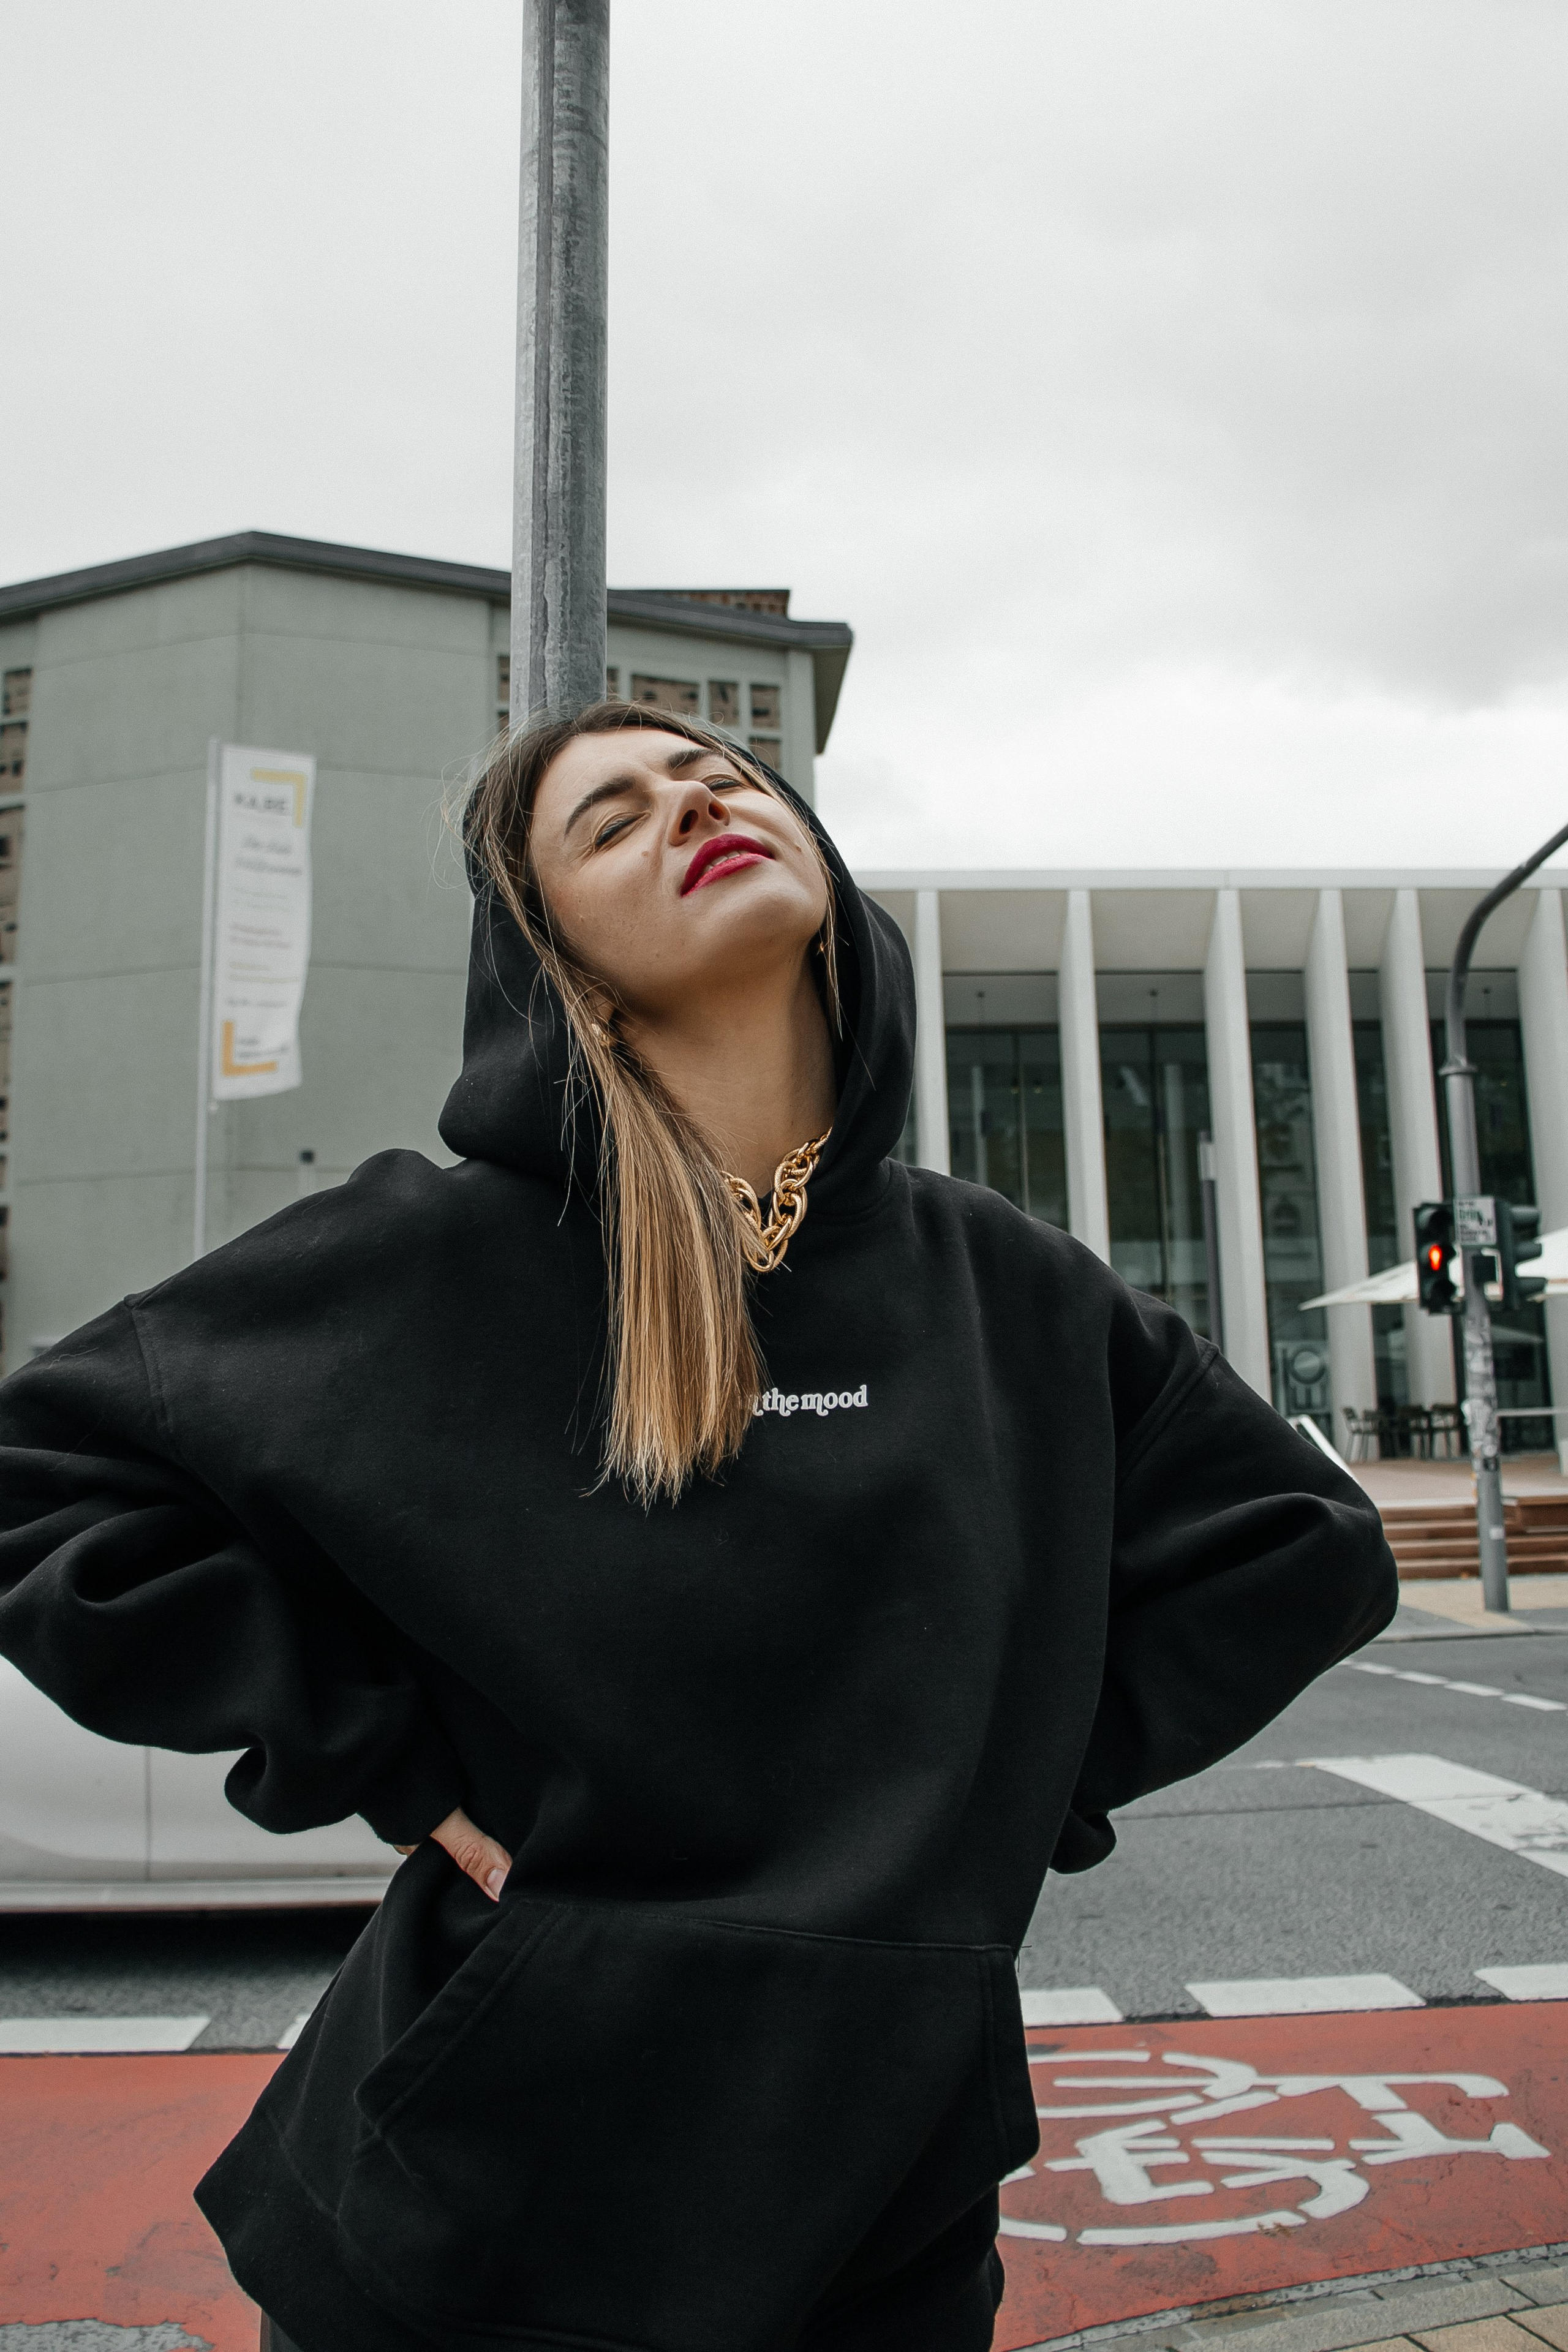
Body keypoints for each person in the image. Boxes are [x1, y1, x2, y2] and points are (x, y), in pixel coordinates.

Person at [0, 703, 1396, 2352]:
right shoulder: (428, 1260)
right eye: (610, 822)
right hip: (481, 2213)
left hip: (885, 2207)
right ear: (559, 961)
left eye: (721, 779)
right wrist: (379, 1753)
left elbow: (1303, 1546)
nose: (691, 805)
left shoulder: (1002, 1284)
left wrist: (993, 1791)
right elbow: (43, 1479)